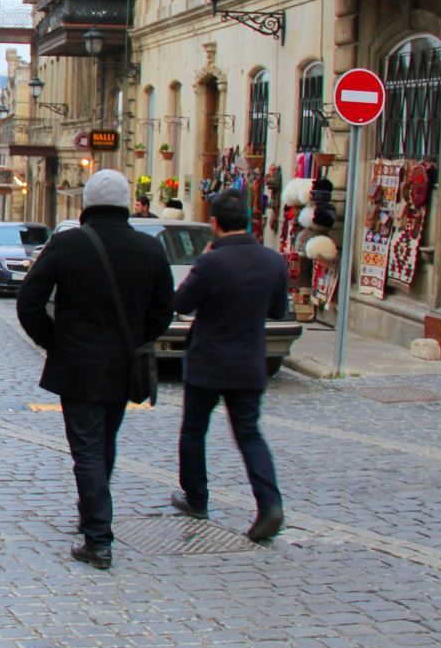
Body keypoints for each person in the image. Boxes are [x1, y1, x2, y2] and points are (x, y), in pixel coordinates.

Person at [16, 169, 174, 570]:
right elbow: (162, 313)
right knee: (104, 442)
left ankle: (98, 538)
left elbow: (29, 301)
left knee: (87, 448)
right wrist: (137, 340)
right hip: (123, 365)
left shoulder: (67, 245)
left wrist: (54, 341)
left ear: (87, 203)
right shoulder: (149, 248)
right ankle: (93, 518)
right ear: (125, 204)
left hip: (78, 364)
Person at [170, 188, 289, 542]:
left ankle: (197, 497)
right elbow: (277, 311)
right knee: (250, 435)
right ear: (248, 221)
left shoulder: (211, 262)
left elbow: (183, 303)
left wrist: (201, 265)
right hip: (249, 360)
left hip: (208, 360)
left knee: (194, 430)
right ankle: (270, 504)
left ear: (215, 224)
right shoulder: (273, 260)